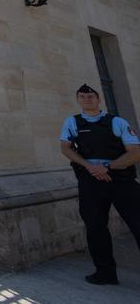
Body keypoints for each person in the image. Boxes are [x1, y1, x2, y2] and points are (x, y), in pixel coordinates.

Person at [60, 84, 140, 285]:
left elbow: (135, 152)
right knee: (95, 229)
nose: (87, 99)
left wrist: (108, 167)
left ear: (98, 99)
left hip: (121, 181)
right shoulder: (72, 122)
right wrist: (89, 167)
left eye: (90, 96)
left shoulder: (117, 122)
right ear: (78, 100)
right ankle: (105, 273)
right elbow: (66, 148)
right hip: (90, 182)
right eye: (82, 96)